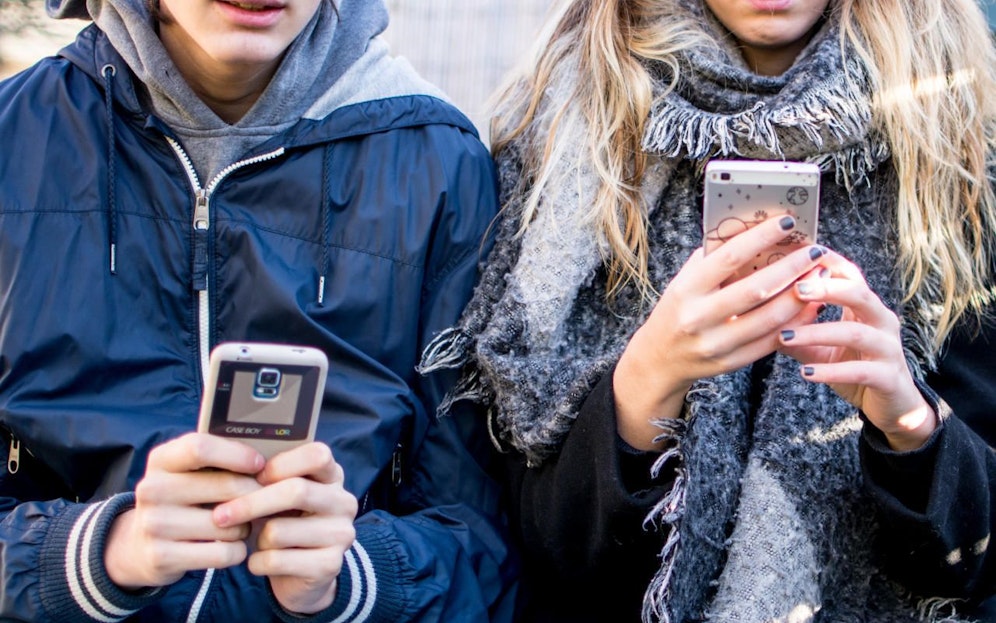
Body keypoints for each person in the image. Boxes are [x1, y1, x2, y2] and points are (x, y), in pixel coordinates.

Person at [419, 0, 996, 620]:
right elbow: (531, 549)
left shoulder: (960, 157)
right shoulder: (563, 135)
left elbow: (978, 565)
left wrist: (911, 427)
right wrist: (648, 381)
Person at [0, 0, 516, 621]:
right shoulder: (14, 142)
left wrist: (347, 579)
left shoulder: (444, 166)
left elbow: (480, 542)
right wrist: (96, 553)